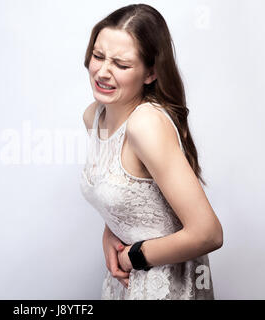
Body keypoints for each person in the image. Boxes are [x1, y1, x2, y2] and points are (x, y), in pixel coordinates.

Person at [79, 4, 223, 299]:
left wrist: (134, 257)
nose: (103, 72)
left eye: (121, 64)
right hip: (125, 282)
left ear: (150, 73)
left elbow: (208, 233)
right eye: (98, 56)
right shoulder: (93, 116)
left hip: (164, 283)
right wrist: (110, 234)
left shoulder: (146, 124)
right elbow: (126, 194)